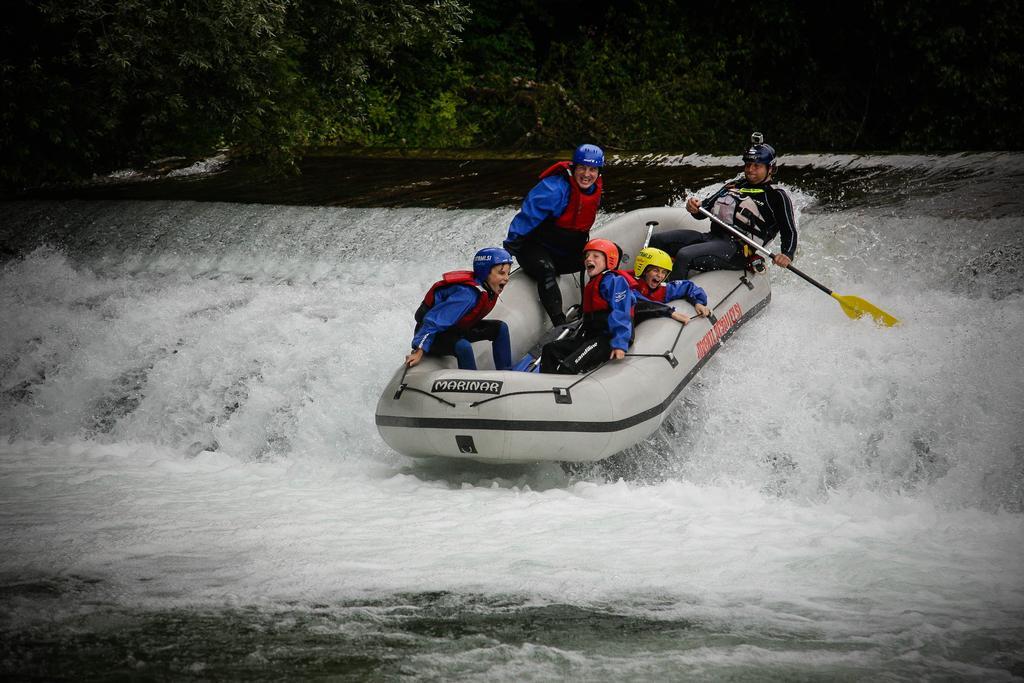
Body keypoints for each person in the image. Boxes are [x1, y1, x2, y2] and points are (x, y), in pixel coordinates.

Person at [650, 132, 797, 281]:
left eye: (756, 166)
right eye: (747, 165)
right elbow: (703, 211)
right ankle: (646, 286)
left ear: (770, 169)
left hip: (737, 252)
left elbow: (789, 231)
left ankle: (671, 296)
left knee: (684, 255)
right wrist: (693, 207)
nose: (750, 169)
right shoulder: (734, 185)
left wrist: (787, 254)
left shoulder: (776, 196)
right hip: (712, 238)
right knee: (657, 240)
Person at [503, 143, 605, 326]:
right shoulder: (554, 189)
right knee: (546, 270)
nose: (587, 174)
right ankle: (559, 324)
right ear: (573, 167)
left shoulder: (594, 189)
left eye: (592, 169)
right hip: (534, 250)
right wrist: (507, 253)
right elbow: (525, 219)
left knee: (603, 259)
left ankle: (594, 309)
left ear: (598, 172)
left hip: (563, 252)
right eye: (582, 168)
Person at [406, 247, 514, 371]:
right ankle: (472, 384)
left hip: (455, 329)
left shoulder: (488, 289)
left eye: (508, 273)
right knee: (464, 347)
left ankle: (506, 373)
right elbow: (434, 320)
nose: (507, 278)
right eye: (501, 273)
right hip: (435, 335)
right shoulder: (467, 295)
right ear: (485, 273)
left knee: (500, 328)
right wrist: (419, 351)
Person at [540, 239, 635, 374]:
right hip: (590, 337)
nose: (589, 259)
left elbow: (621, 312)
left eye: (595, 256)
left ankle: (560, 389)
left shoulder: (615, 282)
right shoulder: (594, 282)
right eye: (587, 256)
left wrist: (620, 344)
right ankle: (544, 385)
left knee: (567, 367)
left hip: (608, 338)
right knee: (549, 349)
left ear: (610, 260)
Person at [630, 247, 712, 325]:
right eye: (655, 270)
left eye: (663, 272)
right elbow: (641, 302)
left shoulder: (661, 290)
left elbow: (687, 286)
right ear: (644, 271)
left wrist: (698, 303)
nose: (660, 275)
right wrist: (668, 311)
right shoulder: (627, 286)